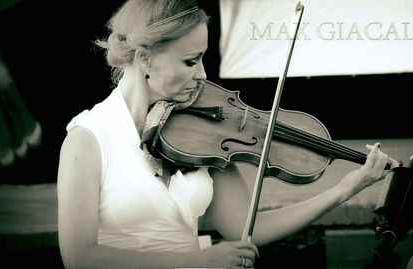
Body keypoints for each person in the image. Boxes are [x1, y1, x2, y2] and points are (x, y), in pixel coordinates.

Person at [57, 0, 393, 268]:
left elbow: (247, 228)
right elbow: (79, 257)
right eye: (191, 61)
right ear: (146, 58)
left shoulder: (199, 136)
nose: (203, 74)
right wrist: (190, 261)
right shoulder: (88, 139)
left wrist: (345, 189)